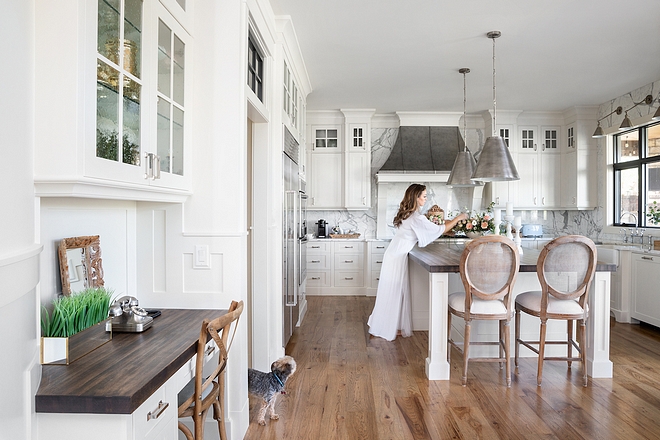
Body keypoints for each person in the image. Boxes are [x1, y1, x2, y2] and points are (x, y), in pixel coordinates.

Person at [367, 183, 468, 341]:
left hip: (393, 254)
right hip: (396, 257)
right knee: (392, 293)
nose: (426, 199)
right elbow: (439, 230)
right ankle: (382, 328)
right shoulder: (416, 217)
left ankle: (386, 326)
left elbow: (433, 228)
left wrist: (447, 222)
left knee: (390, 293)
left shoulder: (409, 215)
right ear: (416, 197)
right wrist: (459, 218)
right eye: (424, 196)